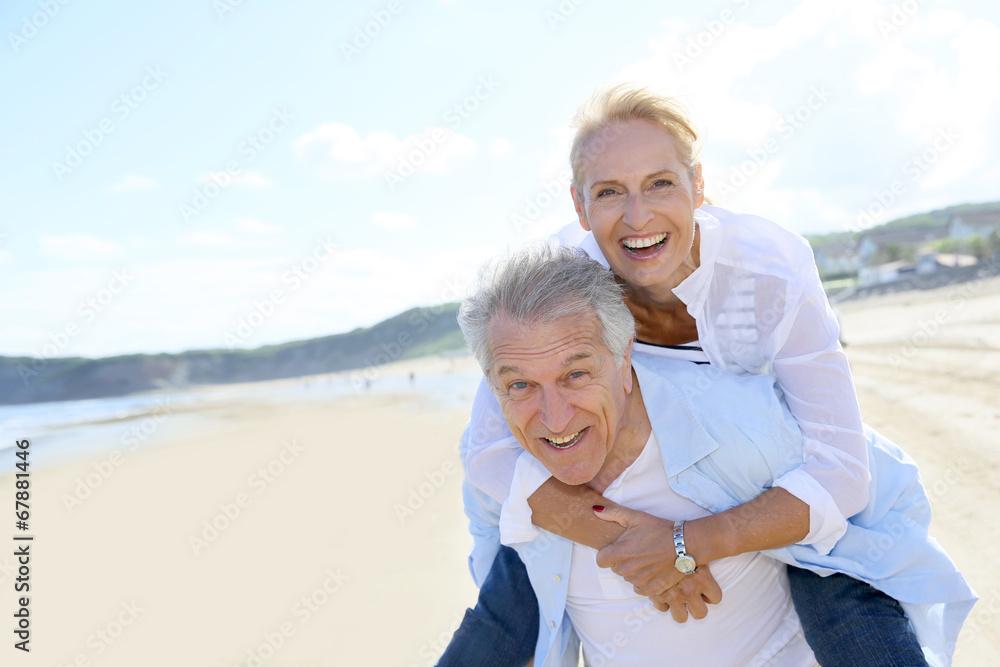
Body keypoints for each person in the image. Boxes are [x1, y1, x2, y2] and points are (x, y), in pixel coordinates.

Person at [450, 83, 940, 666]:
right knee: (528, 515)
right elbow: (488, 446)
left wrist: (684, 545)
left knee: (828, 554)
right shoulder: (566, 284)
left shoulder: (767, 271)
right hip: (615, 448)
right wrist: (633, 545)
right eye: (610, 192)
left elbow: (838, 471)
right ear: (580, 208)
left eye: (659, 183)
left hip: (768, 456)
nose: (638, 217)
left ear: (698, 185)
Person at [441, 246, 973, 666]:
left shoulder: (740, 429)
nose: (554, 418)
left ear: (624, 359)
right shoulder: (500, 466)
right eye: (520, 386)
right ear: (492, 388)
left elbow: (873, 494)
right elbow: (503, 596)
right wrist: (618, 539)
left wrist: (684, 542)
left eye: (576, 374)